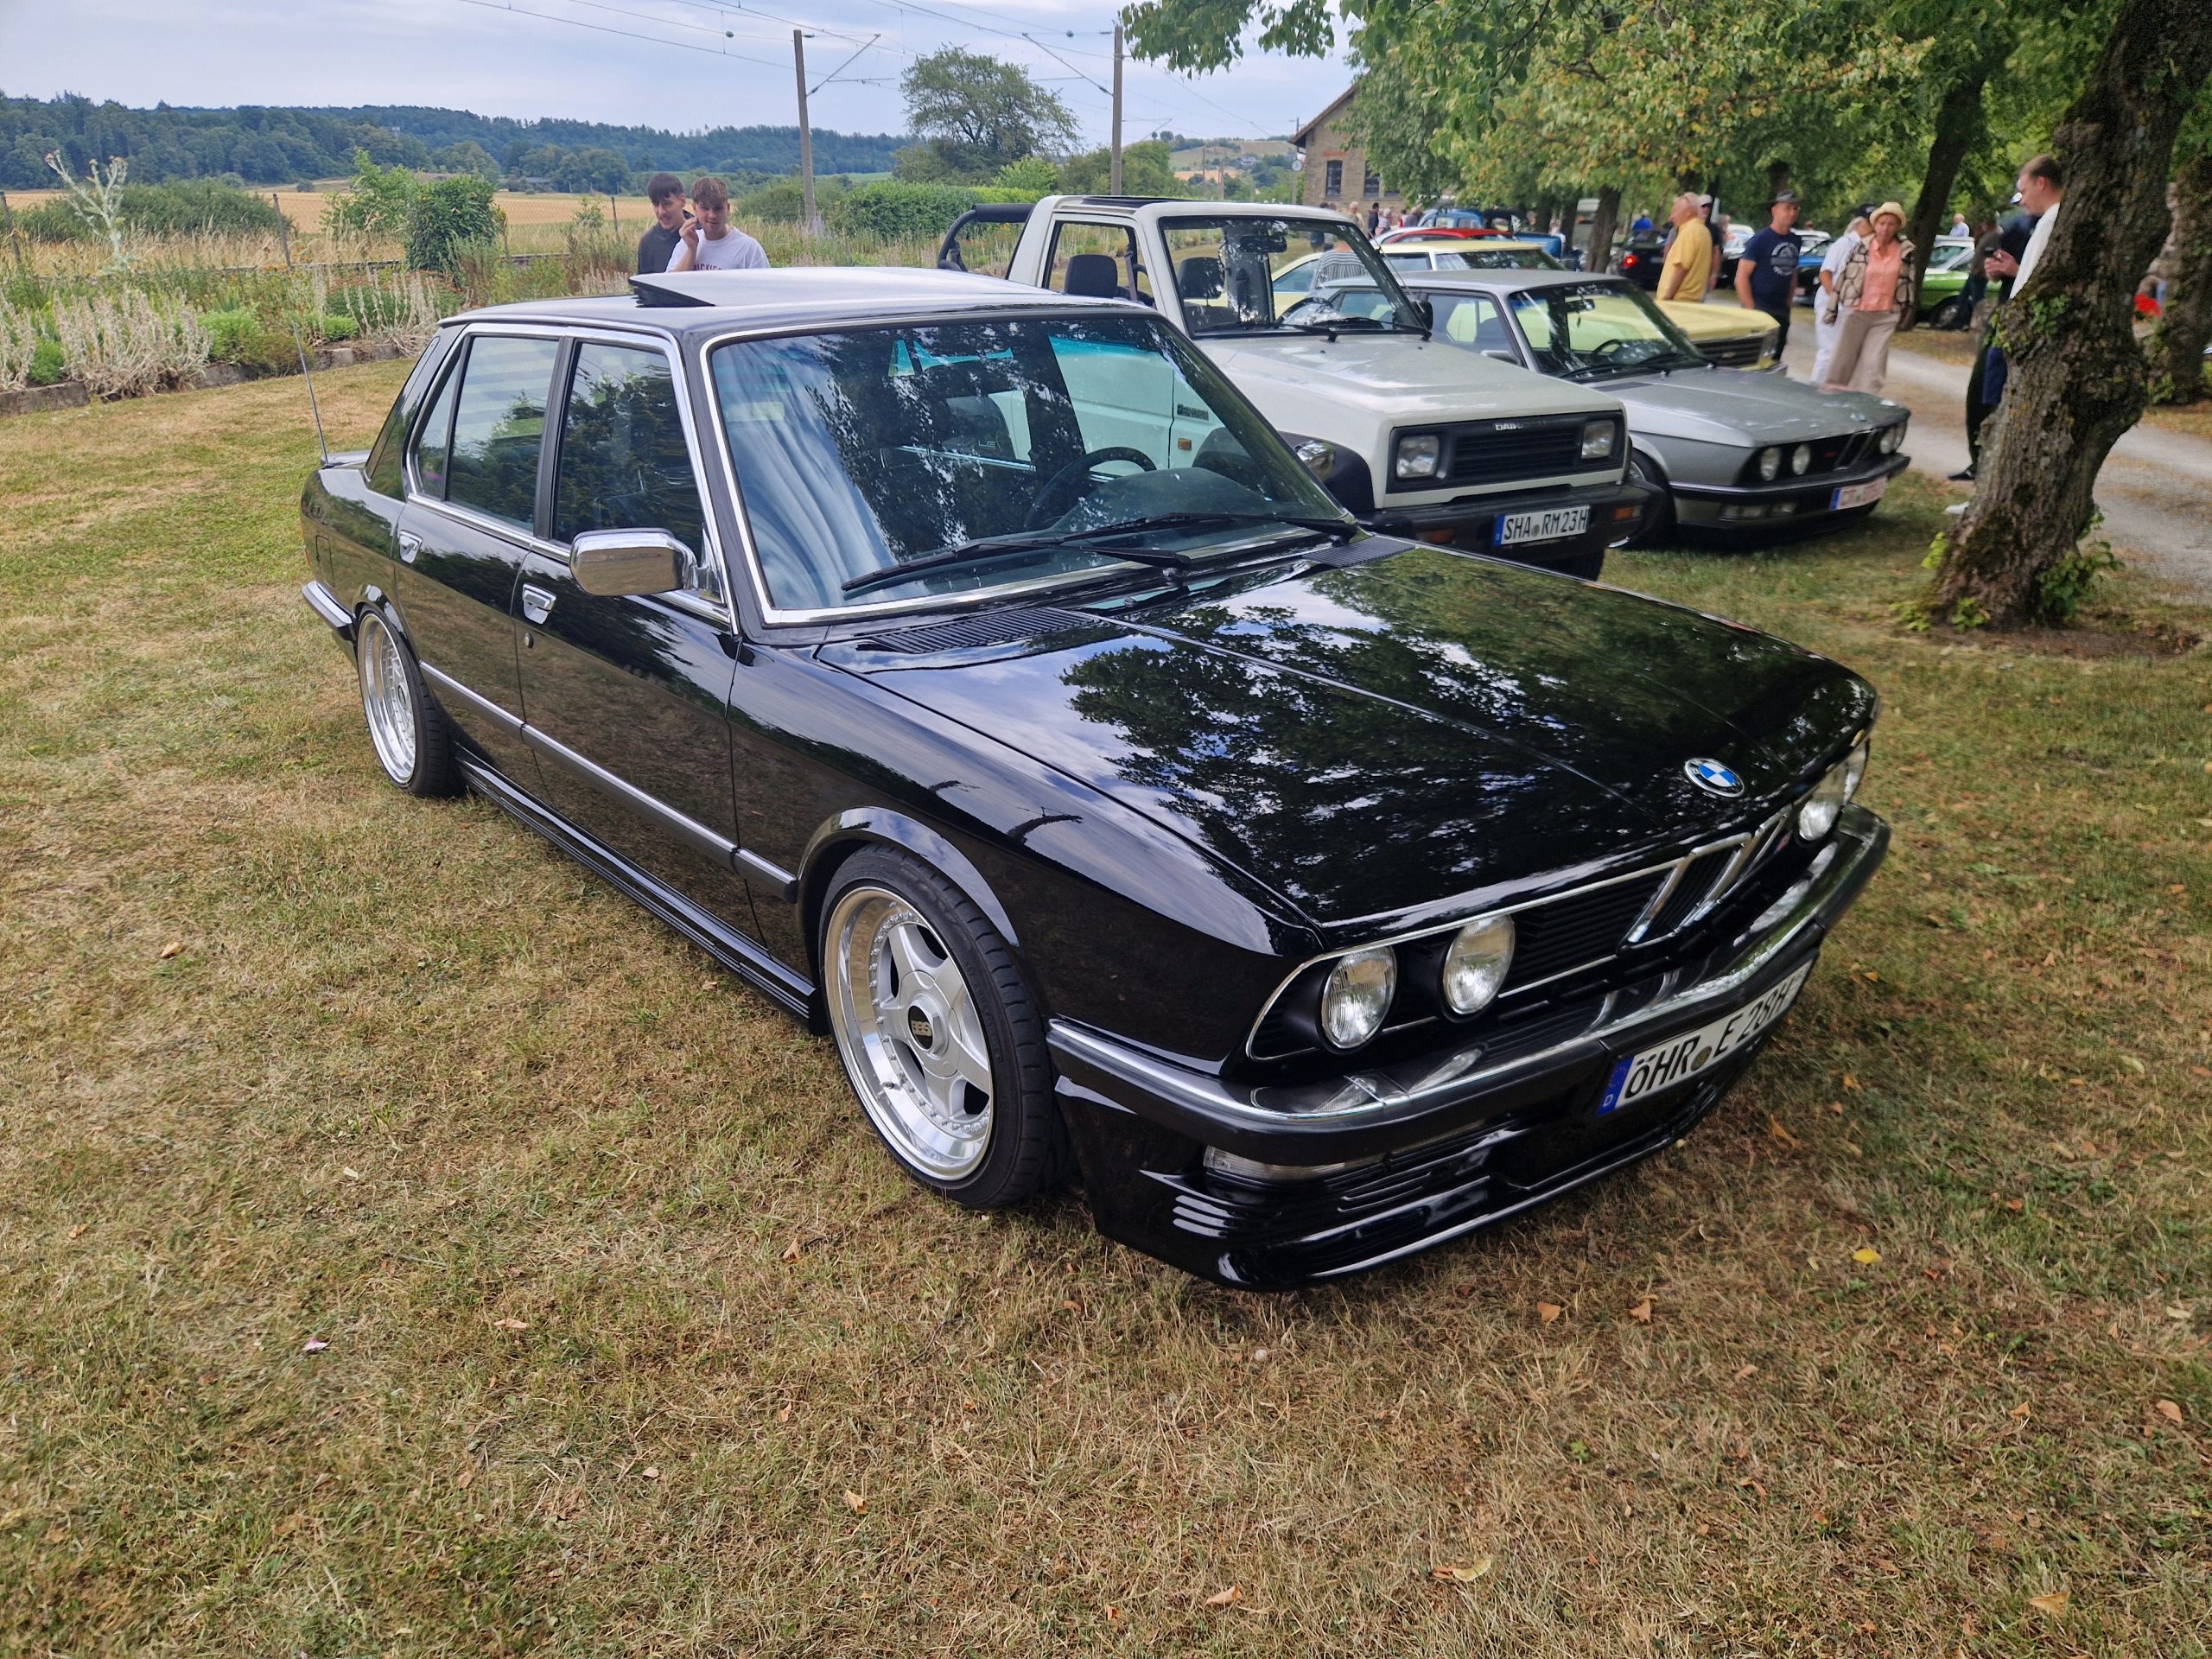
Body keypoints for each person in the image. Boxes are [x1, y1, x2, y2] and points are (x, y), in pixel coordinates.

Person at [1957, 154, 2063, 479]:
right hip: (2008, 316)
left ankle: (1989, 467)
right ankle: (1980, 463)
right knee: (1983, 392)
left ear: (2041, 183)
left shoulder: (2053, 221)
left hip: (2019, 327)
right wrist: (1998, 271)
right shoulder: (2029, 223)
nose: (2022, 199)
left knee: (1995, 396)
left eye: (2024, 190)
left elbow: (2040, 281)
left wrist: (2015, 271)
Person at [1821, 201, 1916, 392]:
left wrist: (1906, 311)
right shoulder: (1861, 248)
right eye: (1882, 223)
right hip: (1857, 310)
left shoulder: (1905, 252)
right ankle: (1831, 395)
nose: (1885, 228)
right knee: (1843, 358)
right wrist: (1832, 308)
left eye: (1891, 224)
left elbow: (1910, 283)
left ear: (1898, 227)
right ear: (1875, 224)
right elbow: (1843, 278)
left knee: (1873, 364)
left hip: (1886, 314)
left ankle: (1864, 400)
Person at [1733, 188, 1802, 359]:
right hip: (1760, 309)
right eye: (1787, 208)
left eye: (1795, 209)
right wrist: (1751, 309)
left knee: (1774, 358)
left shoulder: (1795, 240)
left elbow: (1792, 273)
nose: (1792, 213)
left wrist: (1788, 304)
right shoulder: (1760, 240)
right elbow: (1741, 277)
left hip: (1781, 311)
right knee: (1753, 358)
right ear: (1775, 210)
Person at [1809, 214, 1871, 385]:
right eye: (1869, 222)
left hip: (1851, 306)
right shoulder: (1844, 243)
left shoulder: (1868, 246)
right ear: (1858, 223)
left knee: (1844, 353)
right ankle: (1815, 388)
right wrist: (1834, 301)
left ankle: (1833, 387)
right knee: (1828, 351)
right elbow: (1825, 273)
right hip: (1832, 303)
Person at [667, 175, 769, 272]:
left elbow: (764, 283)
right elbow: (670, 282)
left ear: (728, 209)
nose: (712, 215)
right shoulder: (685, 243)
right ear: (694, 208)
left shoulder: (749, 248)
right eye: (705, 208)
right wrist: (692, 249)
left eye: (718, 208)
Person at [1655, 193, 1713, 302]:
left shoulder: (1689, 232)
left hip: (1677, 301)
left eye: (1674, 211)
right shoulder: (1704, 231)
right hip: (1692, 301)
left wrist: (1667, 297)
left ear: (1687, 213)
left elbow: (1681, 267)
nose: (1671, 217)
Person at [634, 173, 689, 275]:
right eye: (656, 205)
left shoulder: (702, 233)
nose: (661, 211)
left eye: (667, 204)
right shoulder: (648, 243)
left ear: (682, 200)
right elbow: (644, 284)